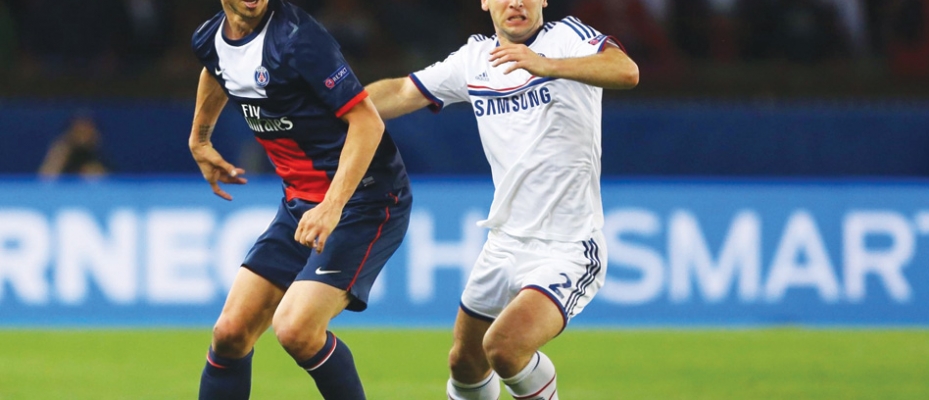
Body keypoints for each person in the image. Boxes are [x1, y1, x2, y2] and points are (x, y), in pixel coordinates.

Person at [365, 0, 639, 398]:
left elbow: (626, 71)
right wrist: (336, 109)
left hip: (568, 246)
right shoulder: (475, 59)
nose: (515, 2)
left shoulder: (567, 38)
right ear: (485, 2)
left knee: (504, 347)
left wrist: (547, 66)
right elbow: (403, 91)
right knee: (465, 362)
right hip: (504, 244)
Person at [188, 0, 412, 399]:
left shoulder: (298, 39)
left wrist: (332, 206)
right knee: (230, 332)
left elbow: (367, 121)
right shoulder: (209, 38)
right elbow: (216, 69)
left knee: (297, 328)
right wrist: (200, 138)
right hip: (301, 204)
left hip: (365, 199)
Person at [38, 114, 110, 177]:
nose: (82, 135)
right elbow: (45, 179)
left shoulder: (100, 158)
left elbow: (106, 182)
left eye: (87, 129)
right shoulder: (60, 153)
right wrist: (58, 153)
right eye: (79, 130)